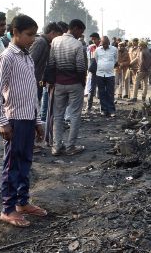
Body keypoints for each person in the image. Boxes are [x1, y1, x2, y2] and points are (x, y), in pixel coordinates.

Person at [0, 14, 47, 228]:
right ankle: (8, 208)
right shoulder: (6, 58)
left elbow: (32, 94)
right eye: (29, 35)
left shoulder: (27, 57)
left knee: (25, 162)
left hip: (28, 118)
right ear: (15, 33)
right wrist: (2, 121)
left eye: (34, 35)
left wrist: (37, 120)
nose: (33, 39)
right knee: (12, 164)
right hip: (14, 119)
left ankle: (22, 202)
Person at [45, 19, 87, 156]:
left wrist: (52, 81)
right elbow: (81, 67)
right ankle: (70, 147)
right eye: (80, 31)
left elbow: (51, 64)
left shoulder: (55, 41)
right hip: (74, 84)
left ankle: (56, 147)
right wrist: (82, 83)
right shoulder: (77, 44)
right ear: (75, 28)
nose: (81, 35)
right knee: (74, 115)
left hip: (59, 84)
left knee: (58, 115)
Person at [30, 22, 63, 123]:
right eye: (58, 36)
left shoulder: (45, 43)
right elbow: (30, 61)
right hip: (31, 81)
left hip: (37, 80)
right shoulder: (40, 42)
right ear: (52, 33)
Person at [94, 35, 117, 117]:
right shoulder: (97, 50)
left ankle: (111, 110)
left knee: (110, 92)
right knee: (102, 93)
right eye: (103, 44)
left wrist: (109, 65)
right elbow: (96, 60)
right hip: (100, 74)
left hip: (110, 74)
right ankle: (104, 110)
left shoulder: (114, 49)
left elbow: (115, 59)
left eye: (106, 44)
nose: (104, 45)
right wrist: (103, 66)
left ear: (109, 43)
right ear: (101, 43)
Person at [84, 32, 101, 114]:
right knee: (91, 89)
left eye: (94, 39)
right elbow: (89, 59)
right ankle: (88, 107)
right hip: (93, 71)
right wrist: (89, 69)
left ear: (98, 39)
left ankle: (102, 107)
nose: (93, 41)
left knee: (101, 89)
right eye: (92, 39)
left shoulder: (102, 47)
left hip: (101, 71)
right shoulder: (90, 47)